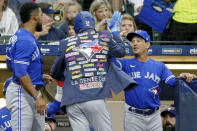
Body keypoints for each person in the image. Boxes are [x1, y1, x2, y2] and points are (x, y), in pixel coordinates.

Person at [50, 11, 136, 131]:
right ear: (93, 25)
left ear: (76, 28)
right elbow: (121, 52)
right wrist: (116, 34)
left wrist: (71, 75)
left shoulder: (66, 42)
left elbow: (55, 73)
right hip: (95, 97)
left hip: (72, 100)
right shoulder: (104, 36)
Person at [113, 30, 196, 131]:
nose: (134, 43)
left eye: (138, 41)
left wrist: (184, 76)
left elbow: (174, 82)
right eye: (133, 41)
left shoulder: (159, 66)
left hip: (154, 116)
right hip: (133, 116)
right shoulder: (125, 63)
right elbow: (111, 63)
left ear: (147, 44)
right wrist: (115, 38)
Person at [5, 2, 53, 131]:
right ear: (35, 18)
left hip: (29, 90)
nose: (43, 18)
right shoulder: (24, 40)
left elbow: (11, 65)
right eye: (42, 15)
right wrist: (37, 97)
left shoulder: (20, 35)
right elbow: (20, 72)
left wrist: (37, 76)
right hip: (23, 93)